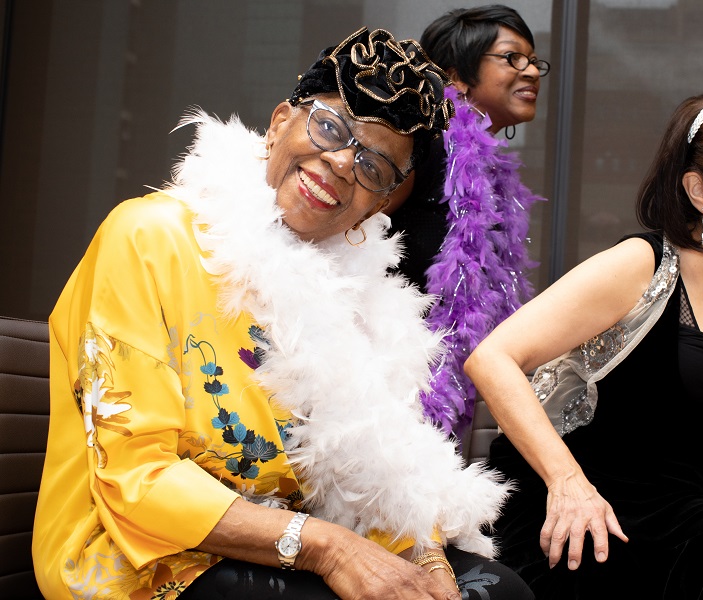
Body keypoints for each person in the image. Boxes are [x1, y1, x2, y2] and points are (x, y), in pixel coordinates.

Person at [33, 27, 535, 600]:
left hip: (293, 542)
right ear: (278, 124)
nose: (343, 162)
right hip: (144, 556)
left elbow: (377, 461)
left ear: (378, 205)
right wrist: (330, 548)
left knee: (500, 591)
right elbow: (135, 480)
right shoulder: (147, 237)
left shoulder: (356, 290)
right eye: (330, 127)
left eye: (374, 166)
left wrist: (427, 558)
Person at [464, 85, 703, 599]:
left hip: (677, 511)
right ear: (700, 192)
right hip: (567, 495)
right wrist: (567, 483)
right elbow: (492, 358)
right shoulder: (643, 264)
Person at [384, 5, 549, 437]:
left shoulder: (494, 174)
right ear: (455, 76)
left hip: (446, 392)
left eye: (533, 61)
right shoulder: (420, 143)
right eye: (512, 58)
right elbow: (352, 237)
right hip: (387, 383)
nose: (531, 71)